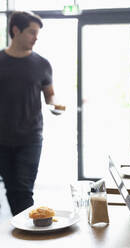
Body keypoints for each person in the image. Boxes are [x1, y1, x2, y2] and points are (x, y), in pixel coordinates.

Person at [0, 11, 65, 216]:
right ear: (16, 30)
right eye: (31, 32)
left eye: (37, 33)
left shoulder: (42, 64)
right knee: (12, 191)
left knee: (23, 190)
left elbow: (50, 95)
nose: (36, 37)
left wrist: (56, 105)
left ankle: (26, 238)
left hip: (30, 138)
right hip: (1, 139)